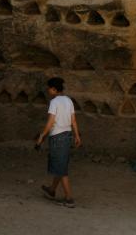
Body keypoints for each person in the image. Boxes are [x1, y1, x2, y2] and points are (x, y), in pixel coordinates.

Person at [35, 76, 82, 208]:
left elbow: (50, 122)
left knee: (61, 169)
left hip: (57, 137)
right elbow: (73, 120)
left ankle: (69, 199)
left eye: (49, 88)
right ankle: (51, 190)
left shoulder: (54, 102)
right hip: (67, 136)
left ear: (54, 89)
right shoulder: (69, 101)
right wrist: (77, 135)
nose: (48, 90)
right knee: (60, 165)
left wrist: (42, 136)